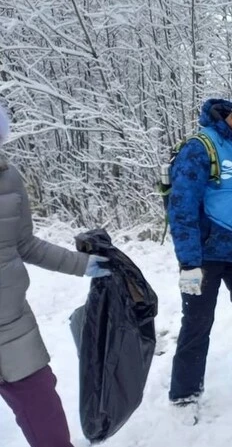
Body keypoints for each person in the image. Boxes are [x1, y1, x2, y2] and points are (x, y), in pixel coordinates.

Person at [0, 104, 110, 447]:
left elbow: (24, 243)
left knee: (48, 425)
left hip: (12, 325)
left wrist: (82, 264)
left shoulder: (8, 177)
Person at [168, 90, 232, 419]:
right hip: (205, 255)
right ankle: (185, 395)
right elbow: (181, 208)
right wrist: (188, 263)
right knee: (197, 324)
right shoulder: (200, 148)